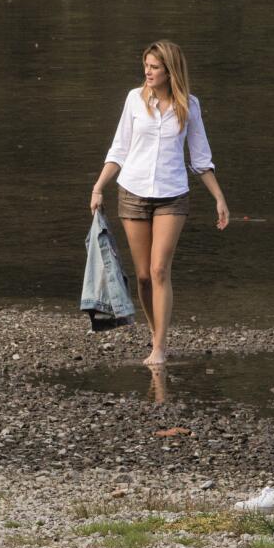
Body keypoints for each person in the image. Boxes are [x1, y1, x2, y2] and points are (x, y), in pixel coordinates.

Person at [88, 39, 229, 368]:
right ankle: (155, 332)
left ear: (170, 71)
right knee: (142, 276)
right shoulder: (134, 100)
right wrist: (98, 187)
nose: (147, 72)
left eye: (154, 67)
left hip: (172, 195)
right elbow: (119, 149)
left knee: (159, 269)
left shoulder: (189, 106)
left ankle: (160, 346)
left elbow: (201, 159)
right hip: (132, 192)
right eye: (146, 66)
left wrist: (219, 198)